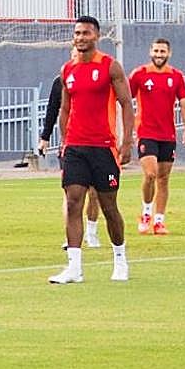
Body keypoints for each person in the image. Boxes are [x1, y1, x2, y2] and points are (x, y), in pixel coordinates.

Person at [49, 17, 134, 284]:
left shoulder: (110, 66)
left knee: (109, 206)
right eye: (77, 33)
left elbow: (126, 104)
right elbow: (65, 108)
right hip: (76, 148)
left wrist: (127, 141)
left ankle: (120, 259)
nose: (80, 37)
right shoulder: (68, 70)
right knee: (74, 202)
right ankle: (74, 267)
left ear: (96, 36)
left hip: (104, 148)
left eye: (86, 33)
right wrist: (65, 141)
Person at [128, 38, 185, 235]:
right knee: (150, 174)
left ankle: (159, 221)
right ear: (150, 52)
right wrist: (126, 130)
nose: (159, 54)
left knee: (163, 179)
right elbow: (125, 101)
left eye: (162, 51)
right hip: (146, 132)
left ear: (169, 54)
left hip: (168, 135)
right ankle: (146, 213)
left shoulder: (176, 76)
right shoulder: (139, 74)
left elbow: (184, 103)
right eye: (156, 51)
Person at [39, 54, 102, 248]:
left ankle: (91, 231)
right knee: (71, 194)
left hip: (96, 143)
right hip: (70, 145)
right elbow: (52, 110)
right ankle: (71, 236)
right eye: (75, 55)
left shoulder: (99, 77)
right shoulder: (61, 81)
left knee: (95, 192)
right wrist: (44, 138)